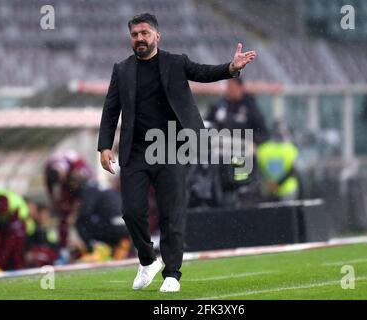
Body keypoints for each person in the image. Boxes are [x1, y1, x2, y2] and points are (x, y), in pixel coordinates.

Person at [97, 13, 256, 292]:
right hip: (135, 152)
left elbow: (204, 73)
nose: (140, 39)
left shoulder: (176, 62)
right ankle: (147, 260)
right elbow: (111, 110)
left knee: (172, 213)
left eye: (145, 33)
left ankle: (172, 273)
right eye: (135, 35)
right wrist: (104, 146)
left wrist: (231, 68)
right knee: (131, 211)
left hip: (172, 148)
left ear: (157, 36)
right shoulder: (121, 70)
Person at [205, 77, 269, 146]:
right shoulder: (219, 106)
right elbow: (207, 123)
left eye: (232, 87)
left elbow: (262, 132)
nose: (229, 89)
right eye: (228, 86)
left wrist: (254, 143)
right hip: (221, 148)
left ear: (240, 87)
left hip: (243, 148)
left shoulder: (250, 107)